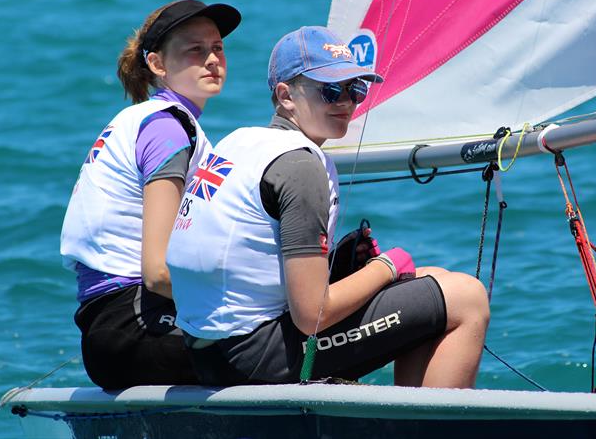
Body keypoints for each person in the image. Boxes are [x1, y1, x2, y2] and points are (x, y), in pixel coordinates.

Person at [167, 26, 490, 388]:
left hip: (207, 352)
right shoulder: (301, 165)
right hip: (255, 358)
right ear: (285, 95)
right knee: (466, 297)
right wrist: (386, 266)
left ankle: (410, 422)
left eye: (357, 90)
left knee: (432, 282)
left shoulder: (238, 141)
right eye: (331, 91)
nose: (347, 103)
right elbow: (312, 315)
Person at [60, 0, 241, 389]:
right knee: (286, 345)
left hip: (110, 326)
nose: (212, 59)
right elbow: (158, 272)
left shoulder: (146, 119)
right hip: (136, 323)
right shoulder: (167, 129)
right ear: (158, 64)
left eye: (218, 48)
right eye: (195, 49)